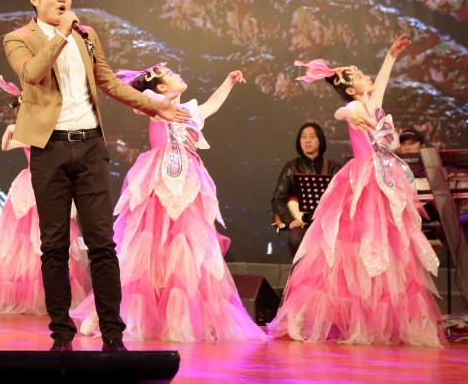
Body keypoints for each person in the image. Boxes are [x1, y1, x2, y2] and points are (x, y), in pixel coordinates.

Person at [2, 0, 189, 351]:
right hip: (49, 149)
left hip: (89, 147)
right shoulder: (18, 39)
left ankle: (113, 334)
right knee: (54, 246)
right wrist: (60, 35)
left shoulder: (86, 35)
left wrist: (156, 106)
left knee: (102, 244)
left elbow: (108, 82)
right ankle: (61, 335)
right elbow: (32, 73)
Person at [71, 64, 266, 341]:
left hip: (188, 182)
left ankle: (180, 320)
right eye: (172, 75)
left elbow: (211, 105)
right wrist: (156, 94)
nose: (178, 75)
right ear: (161, 87)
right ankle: (107, 315)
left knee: (186, 247)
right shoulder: (156, 107)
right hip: (160, 180)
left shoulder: (188, 111)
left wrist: (229, 82)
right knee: (146, 248)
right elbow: (142, 99)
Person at [268, 36, 442, 345]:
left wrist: (390, 56)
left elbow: (381, 86)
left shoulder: (371, 105)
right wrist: (351, 112)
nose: (366, 76)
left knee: (385, 250)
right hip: (364, 184)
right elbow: (343, 112)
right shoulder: (355, 106)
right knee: (349, 251)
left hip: (385, 181)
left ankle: (376, 321)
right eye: (360, 75)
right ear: (350, 89)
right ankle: (316, 317)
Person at [0, 76, 91, 314]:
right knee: (22, 238)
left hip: (48, 183)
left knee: (42, 238)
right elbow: (6, 146)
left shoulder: (46, 130)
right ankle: (26, 296)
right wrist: (11, 129)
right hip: (31, 184)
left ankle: (49, 296)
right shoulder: (34, 131)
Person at [271, 123, 342, 255]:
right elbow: (278, 199)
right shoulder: (291, 167)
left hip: (327, 223)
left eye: (312, 137)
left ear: (320, 141)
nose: (307, 140)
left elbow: (343, 199)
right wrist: (290, 220)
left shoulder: (334, 168)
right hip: (300, 222)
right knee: (296, 239)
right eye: (303, 137)